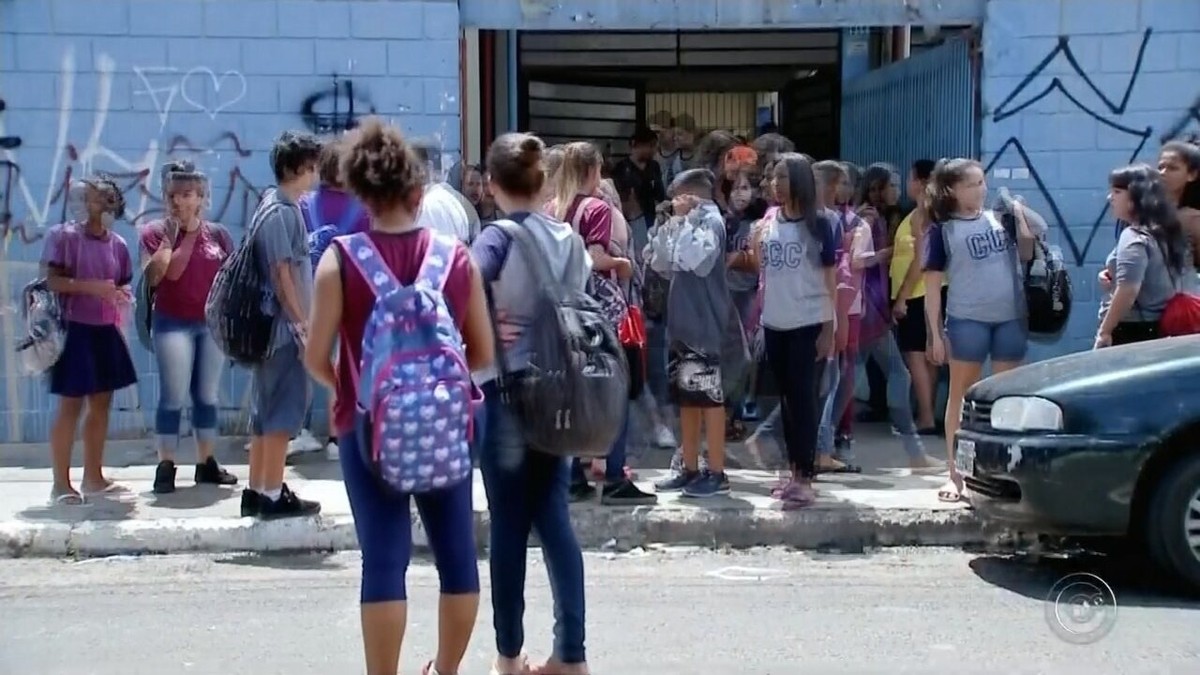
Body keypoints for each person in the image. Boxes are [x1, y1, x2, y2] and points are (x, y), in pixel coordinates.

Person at [304, 117, 492, 675]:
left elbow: (315, 357)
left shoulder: (340, 259)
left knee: (383, 562)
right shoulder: (457, 258)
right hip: (445, 425)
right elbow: (480, 356)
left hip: (366, 429)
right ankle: (447, 670)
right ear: (418, 192)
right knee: (457, 559)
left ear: (362, 195)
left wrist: (353, 388)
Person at [471, 132, 592, 675]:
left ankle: (508, 655)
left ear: (493, 186)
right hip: (561, 393)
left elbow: (463, 284)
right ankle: (571, 654)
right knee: (555, 520)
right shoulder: (569, 238)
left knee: (509, 527)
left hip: (507, 394)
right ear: (542, 182)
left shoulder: (496, 237)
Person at [923, 158, 1041, 504]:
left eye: (982, 182)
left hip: (1010, 318)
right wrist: (935, 333)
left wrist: (1019, 215)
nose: (981, 189)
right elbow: (932, 288)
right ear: (952, 190)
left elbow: (1027, 251)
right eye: (973, 184)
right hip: (967, 320)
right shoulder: (942, 230)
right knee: (961, 397)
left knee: (1007, 399)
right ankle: (956, 475)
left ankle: (1003, 476)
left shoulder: (1000, 217)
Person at [648, 168, 746, 498]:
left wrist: (684, 221)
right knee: (687, 400)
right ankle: (689, 467)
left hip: (705, 323)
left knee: (708, 399)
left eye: (677, 197)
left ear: (692, 196)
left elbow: (696, 261)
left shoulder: (710, 222)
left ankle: (716, 471)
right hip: (682, 324)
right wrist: (673, 224)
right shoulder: (683, 221)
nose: (672, 203)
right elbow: (660, 262)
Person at [141, 161, 238, 494]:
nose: (180, 201)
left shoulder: (219, 234)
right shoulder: (155, 232)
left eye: (187, 194)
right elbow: (163, 276)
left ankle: (206, 462)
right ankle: (166, 464)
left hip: (210, 325)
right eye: (174, 195)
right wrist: (175, 237)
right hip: (173, 325)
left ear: (200, 197)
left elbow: (231, 278)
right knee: (174, 395)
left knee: (207, 395)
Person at [746, 154, 837, 508]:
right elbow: (761, 268)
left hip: (808, 321)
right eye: (773, 178)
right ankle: (793, 471)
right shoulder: (769, 221)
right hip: (775, 322)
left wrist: (830, 327)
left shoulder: (822, 224)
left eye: (782, 177)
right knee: (784, 401)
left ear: (799, 180)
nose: (775, 184)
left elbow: (830, 279)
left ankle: (806, 477)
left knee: (804, 402)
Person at [41, 175, 137, 505]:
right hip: (74, 328)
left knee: (102, 403)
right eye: (96, 198)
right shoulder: (64, 237)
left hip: (105, 329)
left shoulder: (119, 245)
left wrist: (121, 297)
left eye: (109, 199)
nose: (102, 205)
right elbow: (51, 281)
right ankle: (60, 483)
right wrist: (90, 287)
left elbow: (123, 282)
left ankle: (93, 477)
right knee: (71, 404)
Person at [243, 130, 323, 520]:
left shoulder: (269, 205)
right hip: (282, 331)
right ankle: (272, 493)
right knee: (281, 415)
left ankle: (258, 488)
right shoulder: (283, 211)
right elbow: (281, 272)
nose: (315, 176)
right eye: (311, 168)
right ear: (294, 169)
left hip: (271, 329)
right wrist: (302, 323)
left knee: (264, 412)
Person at [294, 138, 371, 459]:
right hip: (347, 291)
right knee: (340, 363)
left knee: (305, 362)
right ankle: (337, 438)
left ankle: (299, 430)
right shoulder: (364, 208)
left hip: (306, 291)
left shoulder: (302, 203)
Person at [1096, 164, 1190, 347]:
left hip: (1132, 330)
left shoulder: (1133, 236)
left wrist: (1105, 331)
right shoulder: (1164, 231)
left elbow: (1128, 291)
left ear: (1135, 196)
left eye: (1117, 192)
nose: (1110, 198)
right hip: (1159, 325)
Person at [890, 159, 942, 434]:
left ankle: (925, 417)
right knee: (927, 356)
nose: (908, 184)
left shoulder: (922, 213)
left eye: (910, 178)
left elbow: (920, 258)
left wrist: (901, 298)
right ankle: (928, 413)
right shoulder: (933, 211)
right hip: (929, 291)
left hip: (918, 293)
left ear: (920, 182)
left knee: (916, 357)